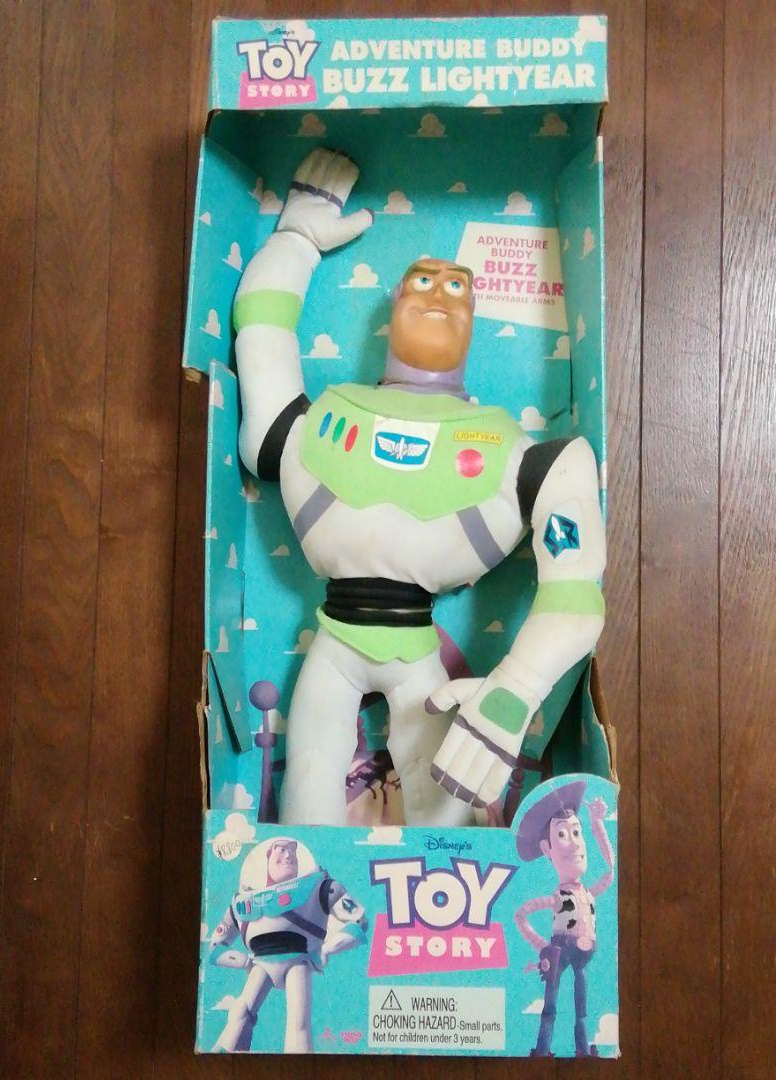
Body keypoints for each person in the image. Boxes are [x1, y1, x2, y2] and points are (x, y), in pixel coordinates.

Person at [233, 148, 606, 824]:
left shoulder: (519, 456)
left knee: (444, 813)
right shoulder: (317, 425)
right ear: (396, 303)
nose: (437, 294)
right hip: (334, 646)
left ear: (475, 319)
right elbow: (261, 335)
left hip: (420, 665)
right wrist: (296, 241)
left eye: (457, 287)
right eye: (422, 281)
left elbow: (577, 593)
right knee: (308, 785)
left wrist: (516, 689)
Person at [209, 837, 366, 1053]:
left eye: (292, 851)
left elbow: (359, 920)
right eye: (281, 850)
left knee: (298, 1025)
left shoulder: (319, 887)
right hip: (260, 962)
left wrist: (329, 948)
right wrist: (242, 961)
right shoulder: (242, 902)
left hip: (298, 960)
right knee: (240, 1013)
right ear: (267, 856)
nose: (288, 856)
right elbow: (216, 947)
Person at [513, 779, 613, 1057]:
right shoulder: (557, 897)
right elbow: (520, 915)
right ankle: (543, 1050)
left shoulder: (589, 893)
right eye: (562, 835)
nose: (575, 843)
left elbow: (610, 871)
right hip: (559, 950)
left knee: (582, 1008)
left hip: (583, 953)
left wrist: (597, 823)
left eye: (577, 832)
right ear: (548, 850)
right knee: (551, 1006)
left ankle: (582, 1050)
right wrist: (543, 946)